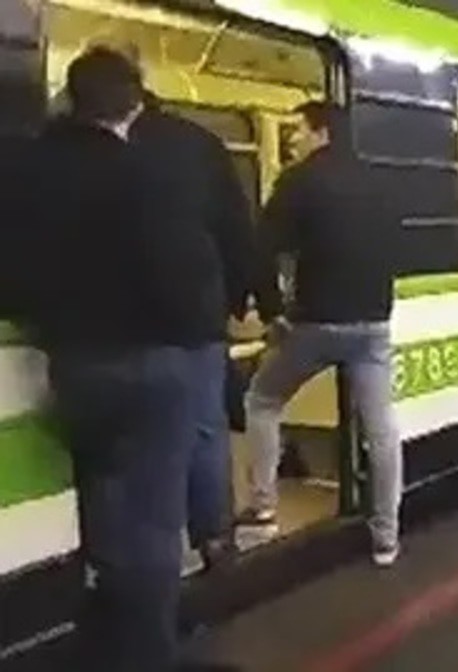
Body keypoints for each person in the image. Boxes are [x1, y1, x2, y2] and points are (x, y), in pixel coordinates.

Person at [8, 47, 244, 671]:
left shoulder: (25, 168)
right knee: (152, 529)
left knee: (105, 508)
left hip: (74, 366)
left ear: (69, 98)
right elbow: (183, 271)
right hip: (149, 365)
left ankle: (106, 638)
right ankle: (146, 656)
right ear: (134, 101)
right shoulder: (145, 172)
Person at [237, 101, 404, 568]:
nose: (293, 140)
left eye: (298, 130)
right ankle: (386, 539)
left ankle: (263, 507)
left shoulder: (299, 181)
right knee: (381, 428)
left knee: (262, 400)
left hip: (316, 322)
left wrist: (272, 311)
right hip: (373, 324)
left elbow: (260, 249)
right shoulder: (379, 181)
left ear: (322, 133)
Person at [131, 89, 256, 574]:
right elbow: (235, 228)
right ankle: (214, 541)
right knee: (205, 428)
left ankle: (138, 556)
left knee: (136, 439)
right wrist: (240, 298)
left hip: (115, 326)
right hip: (195, 315)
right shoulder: (200, 144)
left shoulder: (81, 148)